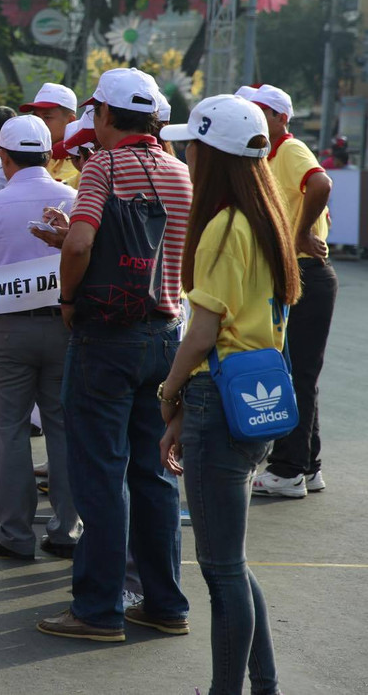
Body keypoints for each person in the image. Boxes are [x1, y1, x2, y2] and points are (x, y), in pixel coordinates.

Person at [33, 67, 192, 643]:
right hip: (165, 335)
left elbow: (80, 242)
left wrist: (70, 296)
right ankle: (165, 602)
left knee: (100, 474)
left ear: (102, 113)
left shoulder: (103, 164)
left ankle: (98, 609)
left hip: (105, 336)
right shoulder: (179, 171)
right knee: (153, 475)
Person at [157, 95, 299, 694]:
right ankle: (260, 684)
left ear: (210, 154)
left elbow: (203, 334)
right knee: (232, 565)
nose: (185, 151)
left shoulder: (223, 226)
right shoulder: (266, 218)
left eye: (192, 143)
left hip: (219, 398)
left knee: (220, 571)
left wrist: (169, 395)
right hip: (256, 396)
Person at [0, 115, 81, 560]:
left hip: (8, 330)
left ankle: (15, 535)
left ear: (2, 154)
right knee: (64, 428)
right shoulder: (72, 197)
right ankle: (67, 531)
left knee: (10, 432)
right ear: (50, 154)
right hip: (65, 326)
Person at [248, 86, 336, 498]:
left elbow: (320, 184)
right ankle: (307, 465)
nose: (252, 116)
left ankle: (287, 470)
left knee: (294, 373)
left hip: (303, 273)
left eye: (259, 110)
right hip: (301, 273)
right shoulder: (271, 155)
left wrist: (299, 233)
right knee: (301, 373)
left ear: (281, 117)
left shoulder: (288, 148)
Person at [19, 82, 80, 185]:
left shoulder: (83, 159)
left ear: (71, 121)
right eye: (36, 117)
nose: (39, 122)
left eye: (47, 117)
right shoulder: (23, 152)